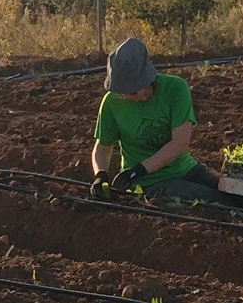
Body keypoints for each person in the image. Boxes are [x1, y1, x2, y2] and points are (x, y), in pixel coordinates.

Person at [90, 37, 224, 204]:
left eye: (131, 91)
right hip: (149, 183)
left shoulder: (175, 89)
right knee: (217, 202)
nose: (125, 96)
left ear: (145, 79)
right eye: (120, 91)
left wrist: (139, 169)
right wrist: (100, 174)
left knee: (233, 193)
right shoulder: (111, 102)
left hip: (184, 168)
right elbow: (102, 148)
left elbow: (180, 143)